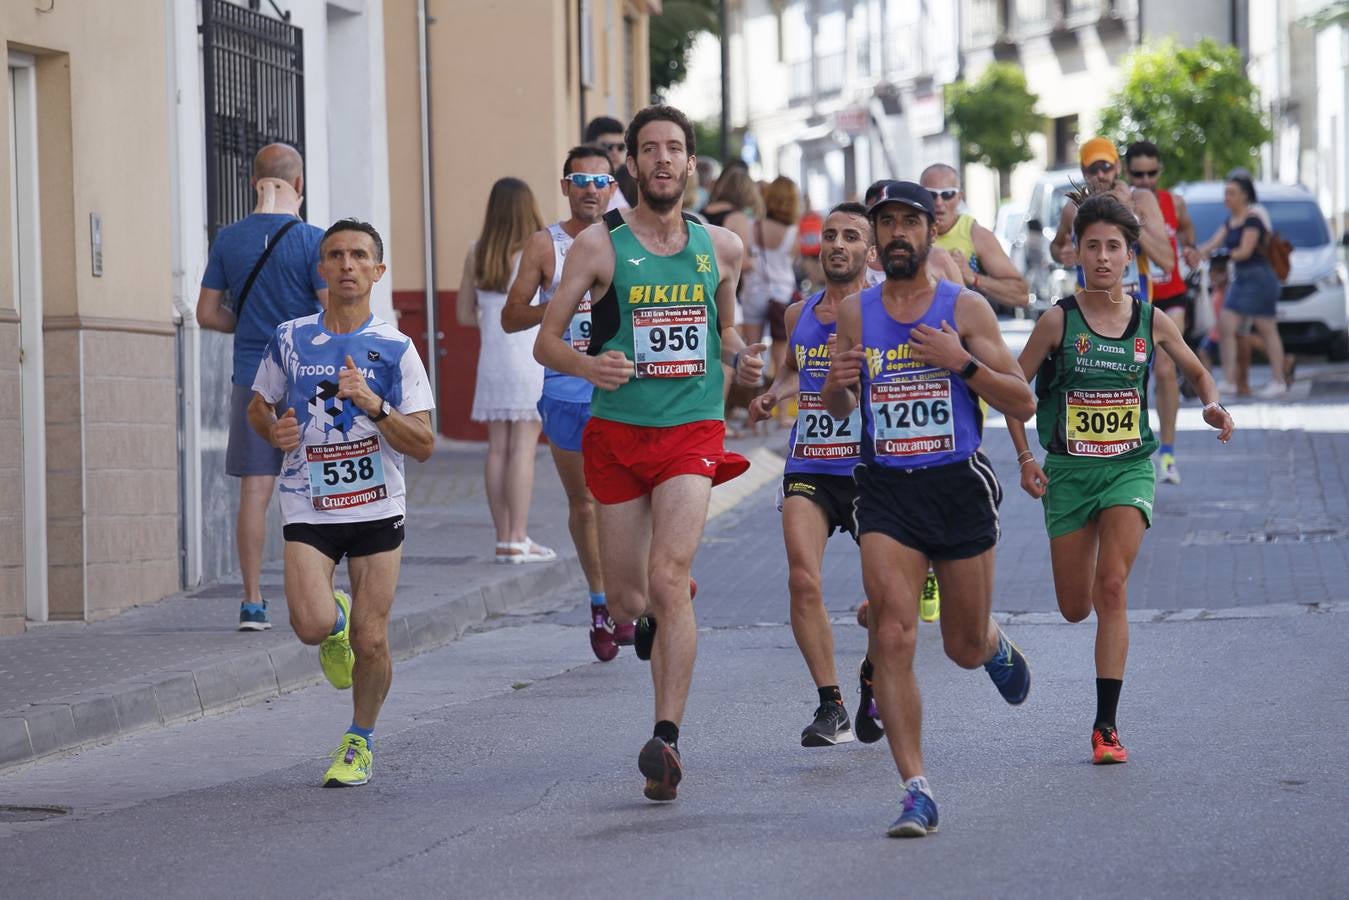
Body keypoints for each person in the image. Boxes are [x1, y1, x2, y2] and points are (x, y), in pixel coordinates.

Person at [534, 104, 763, 802]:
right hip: (617, 434)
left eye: (675, 148)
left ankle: (665, 737)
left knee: (668, 575)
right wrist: (586, 366)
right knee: (633, 600)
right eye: (649, 149)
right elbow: (546, 343)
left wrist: (741, 361)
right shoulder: (597, 247)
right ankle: (659, 611)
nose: (662, 160)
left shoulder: (721, 246)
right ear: (631, 163)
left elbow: (726, 327)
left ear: (691, 162)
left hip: (691, 430)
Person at [822, 181, 1037, 838]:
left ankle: (992, 644)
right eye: (882, 223)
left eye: (905, 223)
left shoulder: (963, 307)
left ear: (926, 233)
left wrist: (960, 362)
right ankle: (915, 788)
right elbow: (835, 409)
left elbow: (1021, 402)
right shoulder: (855, 313)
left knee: (962, 647)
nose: (894, 234)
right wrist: (837, 384)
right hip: (886, 490)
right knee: (891, 633)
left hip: (956, 486)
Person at [1007, 188, 1235, 766]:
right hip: (1068, 473)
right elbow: (1010, 393)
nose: (1103, 257)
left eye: (1114, 247)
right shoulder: (1058, 321)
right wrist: (1025, 459)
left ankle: (1105, 726)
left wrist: (1212, 405)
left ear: (1131, 255)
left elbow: (1197, 371)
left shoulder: (1150, 319)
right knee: (1074, 607)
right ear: (1077, 253)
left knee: (1112, 587)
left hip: (1129, 468)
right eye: (1093, 247)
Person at [247, 218, 435, 786]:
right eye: (336, 255)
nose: (347, 265)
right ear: (322, 269)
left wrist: (375, 405)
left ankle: (360, 739)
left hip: (377, 503)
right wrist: (272, 430)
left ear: (378, 271)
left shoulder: (397, 349)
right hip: (309, 502)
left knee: (372, 638)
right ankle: (334, 624)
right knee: (309, 625)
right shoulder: (290, 337)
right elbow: (258, 404)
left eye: (359, 256)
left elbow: (424, 443)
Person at [746, 202, 879, 747]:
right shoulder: (799, 315)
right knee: (802, 578)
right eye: (830, 236)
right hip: (812, 463)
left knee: (887, 599)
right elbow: (793, 367)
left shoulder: (886, 312)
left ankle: (873, 680)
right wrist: (773, 393)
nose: (837, 245)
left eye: (851, 236)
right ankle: (832, 705)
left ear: (870, 251)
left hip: (873, 467)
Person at [196, 142, 328, 631]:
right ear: (298, 186)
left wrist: (248, 326)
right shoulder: (313, 239)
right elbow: (327, 309)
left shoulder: (228, 240)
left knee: (256, 491)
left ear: (254, 183)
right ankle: (313, 592)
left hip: (252, 376)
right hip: (307, 375)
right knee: (314, 488)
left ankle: (252, 601)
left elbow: (206, 313)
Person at [501, 145, 625, 661]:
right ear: (565, 186)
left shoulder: (628, 240)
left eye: (600, 181)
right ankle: (600, 603)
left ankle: (635, 597)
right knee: (586, 505)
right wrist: (554, 307)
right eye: (580, 180)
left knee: (628, 499)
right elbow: (511, 316)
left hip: (621, 391)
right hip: (566, 392)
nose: (590, 190)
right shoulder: (543, 245)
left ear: (613, 188)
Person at [456, 178, 555, 563]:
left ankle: (502, 538)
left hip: (492, 359)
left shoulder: (476, 252)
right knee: (524, 451)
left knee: (497, 449)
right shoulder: (536, 250)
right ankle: (519, 537)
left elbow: (465, 314)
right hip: (529, 356)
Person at [1123, 141, 1197, 485]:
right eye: (1138, 173)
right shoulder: (1123, 204)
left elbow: (1185, 230)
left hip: (1171, 295)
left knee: (1166, 368)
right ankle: (1136, 444)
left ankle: (1167, 452)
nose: (1145, 179)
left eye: (1151, 173)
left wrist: (1192, 248)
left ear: (1160, 171)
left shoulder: (1174, 203)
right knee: (1136, 372)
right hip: (1137, 297)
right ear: (1127, 173)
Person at [1186, 174, 1290, 399]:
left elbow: (1244, 251)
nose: (1227, 197)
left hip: (1260, 279)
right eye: (1226, 192)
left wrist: (1220, 255)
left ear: (1244, 196)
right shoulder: (1230, 221)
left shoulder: (1253, 220)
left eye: (1231, 193)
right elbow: (1212, 243)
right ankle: (1231, 380)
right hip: (1242, 280)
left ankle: (1278, 380)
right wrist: (1196, 253)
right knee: (1225, 324)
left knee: (1266, 328)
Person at [1051, 137, 1174, 302]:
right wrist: (1062, 254)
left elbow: (1167, 262)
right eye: (1093, 169)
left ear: (1117, 167)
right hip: (1090, 309)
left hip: (1134, 306)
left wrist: (1129, 212)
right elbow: (1056, 246)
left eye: (1106, 167)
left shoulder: (1141, 200)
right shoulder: (1073, 209)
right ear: (1083, 171)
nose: (1100, 175)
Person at [919, 163, 1030, 311]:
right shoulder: (908, 233)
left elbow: (1021, 295)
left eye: (947, 194)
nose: (939, 202)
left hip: (962, 329)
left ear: (959, 197)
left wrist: (973, 277)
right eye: (931, 194)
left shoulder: (974, 234)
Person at [741, 175, 803, 423]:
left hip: (753, 292)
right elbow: (793, 261)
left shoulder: (753, 225)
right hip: (781, 295)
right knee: (782, 358)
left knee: (752, 352)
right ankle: (782, 414)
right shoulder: (792, 232)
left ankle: (751, 410)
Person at [862, 179, 962, 288]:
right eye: (887, 222)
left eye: (910, 222)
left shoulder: (940, 260)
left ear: (932, 232)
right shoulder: (855, 303)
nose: (897, 232)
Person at [586, 116, 635, 210]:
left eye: (620, 147)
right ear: (590, 148)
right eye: (608, 147)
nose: (615, 153)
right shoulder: (584, 186)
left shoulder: (630, 182)